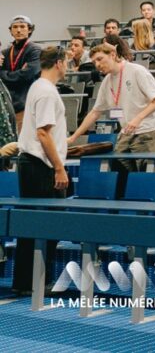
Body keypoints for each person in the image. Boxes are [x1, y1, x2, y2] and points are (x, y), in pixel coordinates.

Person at [13, 47, 69, 294]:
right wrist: (59, 167)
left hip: (31, 162)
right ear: (59, 63)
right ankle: (35, 282)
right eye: (66, 62)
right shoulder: (47, 91)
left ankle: (26, 282)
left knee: (32, 227)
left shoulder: (37, 86)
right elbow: (43, 133)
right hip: (41, 165)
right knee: (47, 226)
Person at [68, 42, 155, 177]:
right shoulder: (107, 81)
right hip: (127, 132)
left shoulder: (136, 71)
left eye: (100, 59)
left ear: (113, 55)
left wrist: (138, 118)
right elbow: (95, 112)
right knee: (120, 164)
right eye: (94, 62)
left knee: (146, 174)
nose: (97, 65)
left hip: (149, 130)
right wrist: (74, 137)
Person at [1, 15, 41, 129]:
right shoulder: (5, 52)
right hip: (8, 105)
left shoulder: (35, 50)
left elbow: (27, 75)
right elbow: (21, 75)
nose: (18, 30)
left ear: (29, 29)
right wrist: (19, 73)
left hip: (26, 104)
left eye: (22, 26)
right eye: (15, 27)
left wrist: (4, 74)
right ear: (11, 31)